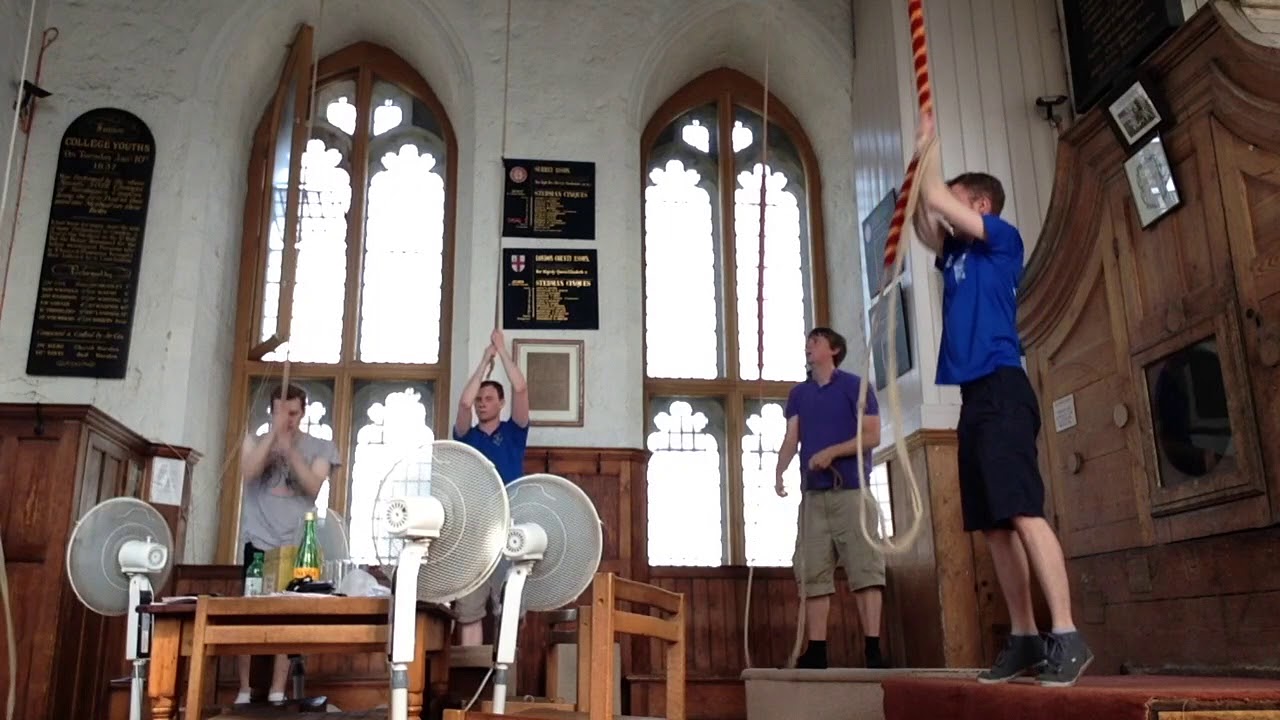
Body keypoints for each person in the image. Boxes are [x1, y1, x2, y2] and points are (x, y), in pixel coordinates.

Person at [911, 109, 1092, 687]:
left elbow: (935, 198)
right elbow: (924, 217)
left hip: (1005, 388)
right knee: (994, 525)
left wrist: (928, 145)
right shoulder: (956, 255)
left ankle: (1066, 632)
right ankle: (1024, 638)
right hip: (974, 400)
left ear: (980, 206)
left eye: (962, 202)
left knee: (1023, 511)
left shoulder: (1002, 243)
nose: (950, 210)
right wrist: (924, 167)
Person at [775, 327, 888, 670]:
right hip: (813, 497)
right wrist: (779, 471)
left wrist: (832, 453)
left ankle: (872, 650)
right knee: (812, 572)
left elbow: (871, 436)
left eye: (816, 342)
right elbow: (791, 438)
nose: (808, 347)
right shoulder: (799, 395)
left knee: (865, 569)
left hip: (852, 491)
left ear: (834, 349)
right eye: (807, 342)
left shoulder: (857, 387)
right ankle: (817, 650)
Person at [236, 383, 340, 704]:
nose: (288, 419)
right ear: (272, 411)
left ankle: (278, 691)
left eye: (293, 413)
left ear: (303, 412)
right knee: (250, 614)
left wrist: (289, 448)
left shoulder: (321, 447)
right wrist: (272, 438)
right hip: (258, 542)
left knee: (289, 615)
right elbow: (247, 472)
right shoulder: (253, 440)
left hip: (297, 545)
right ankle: (244, 689)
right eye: (281, 413)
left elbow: (312, 487)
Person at [452, 327, 530, 645]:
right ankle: (472, 685)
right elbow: (463, 401)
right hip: (473, 530)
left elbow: (521, 388)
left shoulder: (514, 431)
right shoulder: (466, 435)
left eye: (489, 399)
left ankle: (503, 683)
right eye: (480, 400)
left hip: (509, 525)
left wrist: (503, 350)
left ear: (501, 403)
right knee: (469, 610)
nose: (481, 404)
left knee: (509, 608)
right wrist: (486, 359)